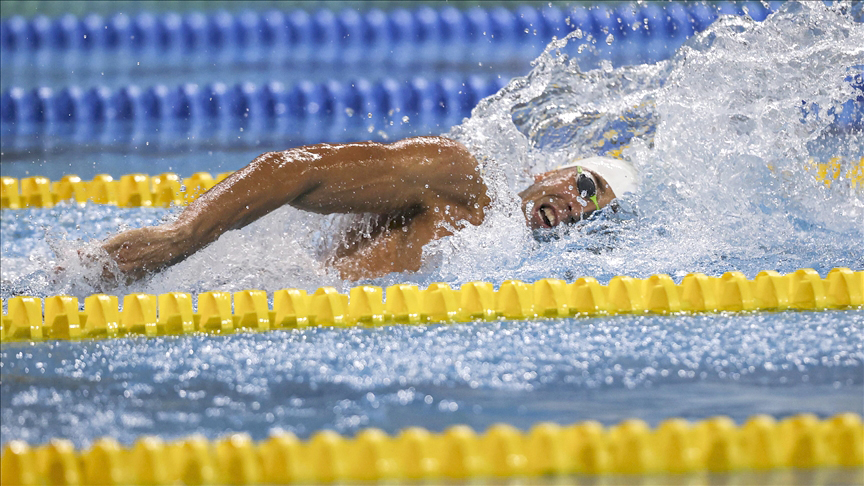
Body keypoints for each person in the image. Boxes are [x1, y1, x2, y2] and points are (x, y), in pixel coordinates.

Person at [101, 135, 637, 282]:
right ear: (550, 172)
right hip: (271, 296)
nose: (577, 207)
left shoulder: (523, 261)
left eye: (596, 212)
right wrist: (183, 234)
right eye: (586, 186)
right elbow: (293, 169)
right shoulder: (462, 177)